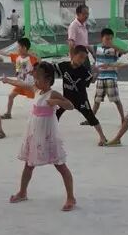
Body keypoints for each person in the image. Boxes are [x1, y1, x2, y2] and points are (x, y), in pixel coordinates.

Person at [6, 62, 77, 212]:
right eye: (35, 78)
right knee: (28, 165)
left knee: (61, 166)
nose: (35, 82)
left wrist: (57, 102)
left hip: (48, 136)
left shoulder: (53, 94)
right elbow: (22, 83)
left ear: (48, 79)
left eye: (38, 78)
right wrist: (8, 81)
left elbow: (70, 105)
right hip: (34, 134)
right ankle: (22, 192)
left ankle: (71, 197)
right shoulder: (36, 89)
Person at [53, 46, 108, 146]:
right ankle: (50, 135)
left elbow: (91, 80)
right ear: (73, 55)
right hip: (66, 99)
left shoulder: (84, 71)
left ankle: (102, 137)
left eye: (84, 58)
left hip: (81, 100)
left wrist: (97, 74)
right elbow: (52, 70)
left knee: (91, 117)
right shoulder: (63, 66)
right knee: (56, 115)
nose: (82, 60)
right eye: (80, 57)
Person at [91, 28, 127, 123]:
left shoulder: (114, 50)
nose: (109, 41)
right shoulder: (97, 48)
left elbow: (124, 52)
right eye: (107, 39)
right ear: (101, 38)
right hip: (100, 77)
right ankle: (91, 118)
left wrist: (113, 46)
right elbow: (96, 61)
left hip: (111, 77)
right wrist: (95, 73)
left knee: (116, 99)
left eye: (111, 39)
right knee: (97, 100)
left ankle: (123, 118)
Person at [2, 37, 39, 120]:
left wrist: (34, 56)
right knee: (11, 96)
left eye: (18, 47)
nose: (17, 48)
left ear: (24, 48)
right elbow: (7, 54)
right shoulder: (17, 56)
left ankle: (37, 114)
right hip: (19, 83)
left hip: (29, 84)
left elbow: (39, 63)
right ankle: (8, 113)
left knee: (35, 100)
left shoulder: (31, 58)